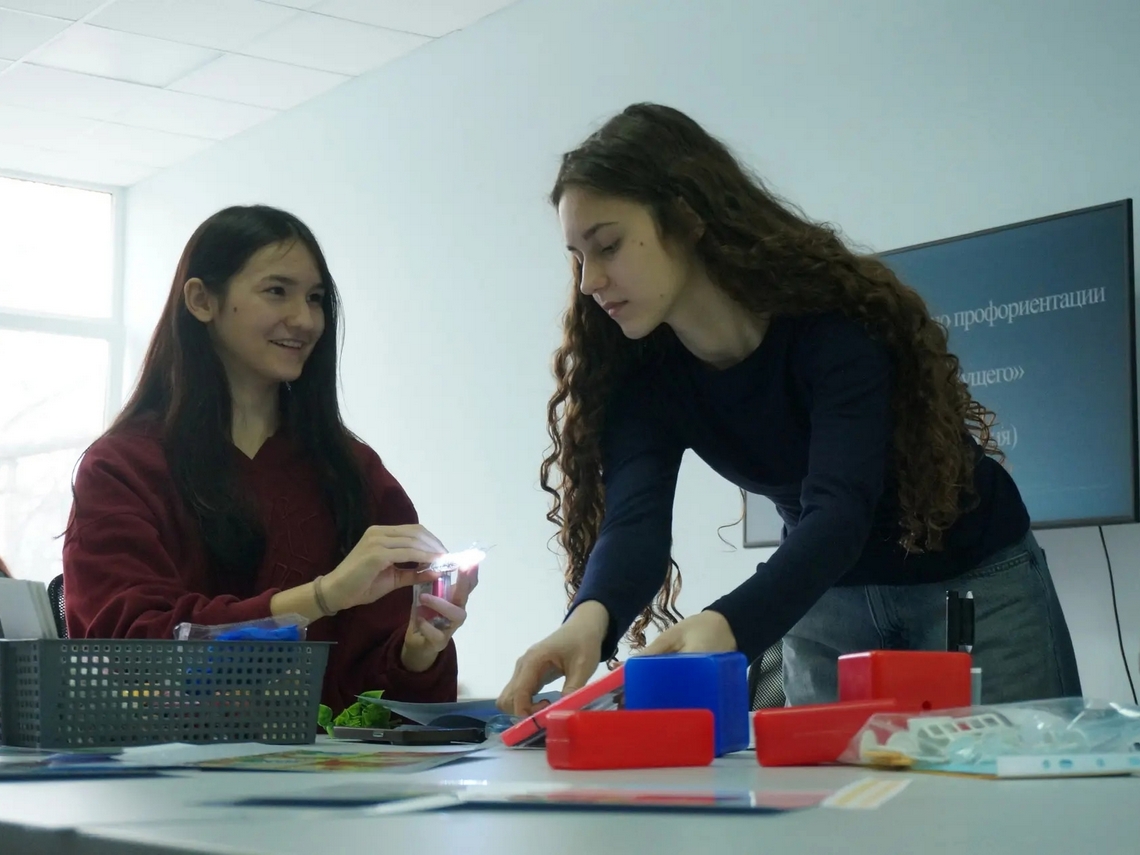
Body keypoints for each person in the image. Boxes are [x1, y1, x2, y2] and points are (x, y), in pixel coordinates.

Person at [498, 103, 1080, 715]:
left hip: (972, 584)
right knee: (839, 782)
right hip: (823, 599)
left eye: (608, 246)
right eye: (578, 256)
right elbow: (634, 525)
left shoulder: (832, 326)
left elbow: (839, 510)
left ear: (687, 217)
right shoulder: (643, 374)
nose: (589, 281)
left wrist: (728, 624)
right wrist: (587, 620)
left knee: (1012, 773)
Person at [64, 205, 476, 710]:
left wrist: (418, 652)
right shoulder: (122, 468)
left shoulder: (356, 473)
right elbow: (130, 649)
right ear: (202, 300)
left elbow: (377, 704)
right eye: (277, 291)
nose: (304, 320)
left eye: (316, 299)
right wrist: (321, 596)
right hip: (164, 758)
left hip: (323, 762)